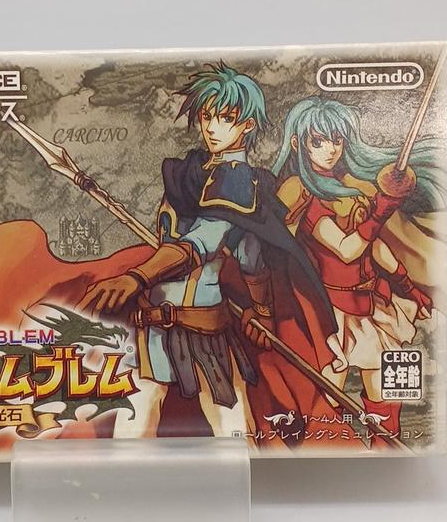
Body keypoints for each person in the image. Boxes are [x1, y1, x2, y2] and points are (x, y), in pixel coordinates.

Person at [80, 64, 344, 446]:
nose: (212, 127)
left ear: (247, 125)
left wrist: (137, 276)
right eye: (207, 116)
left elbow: (209, 245)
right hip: (153, 323)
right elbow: (246, 255)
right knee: (138, 417)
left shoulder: (239, 183)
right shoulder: (190, 173)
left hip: (203, 327)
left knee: (231, 425)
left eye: (226, 118)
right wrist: (259, 308)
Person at [272, 96, 445, 447]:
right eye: (319, 141)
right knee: (326, 404)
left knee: (387, 400)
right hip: (329, 315)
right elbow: (347, 248)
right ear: (299, 144)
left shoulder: (352, 186)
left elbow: (373, 248)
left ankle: (388, 462)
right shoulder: (303, 196)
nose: (330, 149)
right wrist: (380, 211)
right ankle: (327, 462)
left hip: (371, 303)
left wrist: (407, 286)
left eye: (336, 140)